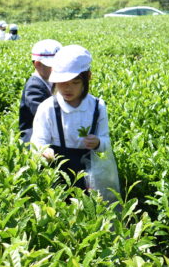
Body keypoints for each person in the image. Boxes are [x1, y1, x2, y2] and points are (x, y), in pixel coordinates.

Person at [30, 45, 110, 189]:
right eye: (62, 83)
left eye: (75, 83)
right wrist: (43, 150)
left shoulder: (98, 106)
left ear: (88, 78)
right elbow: (37, 141)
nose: (68, 88)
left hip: (88, 175)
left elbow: (106, 141)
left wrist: (98, 142)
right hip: (56, 173)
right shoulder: (47, 108)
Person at [19, 39, 63, 143]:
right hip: (33, 138)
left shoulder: (50, 79)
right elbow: (47, 116)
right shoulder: (34, 87)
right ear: (37, 64)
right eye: (53, 66)